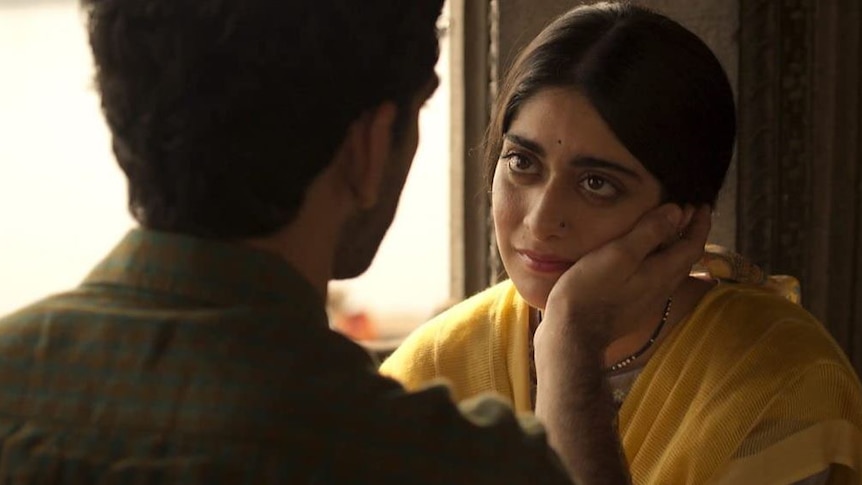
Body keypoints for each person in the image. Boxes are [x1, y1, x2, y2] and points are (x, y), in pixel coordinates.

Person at [0, 0, 709, 483]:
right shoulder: (438, 461)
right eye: (520, 160)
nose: (542, 218)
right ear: (371, 146)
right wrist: (573, 343)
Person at [380, 3, 862, 484]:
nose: (542, 220)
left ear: (681, 218)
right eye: (522, 163)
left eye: (596, 184)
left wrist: (570, 351)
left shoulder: (780, 383)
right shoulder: (437, 367)